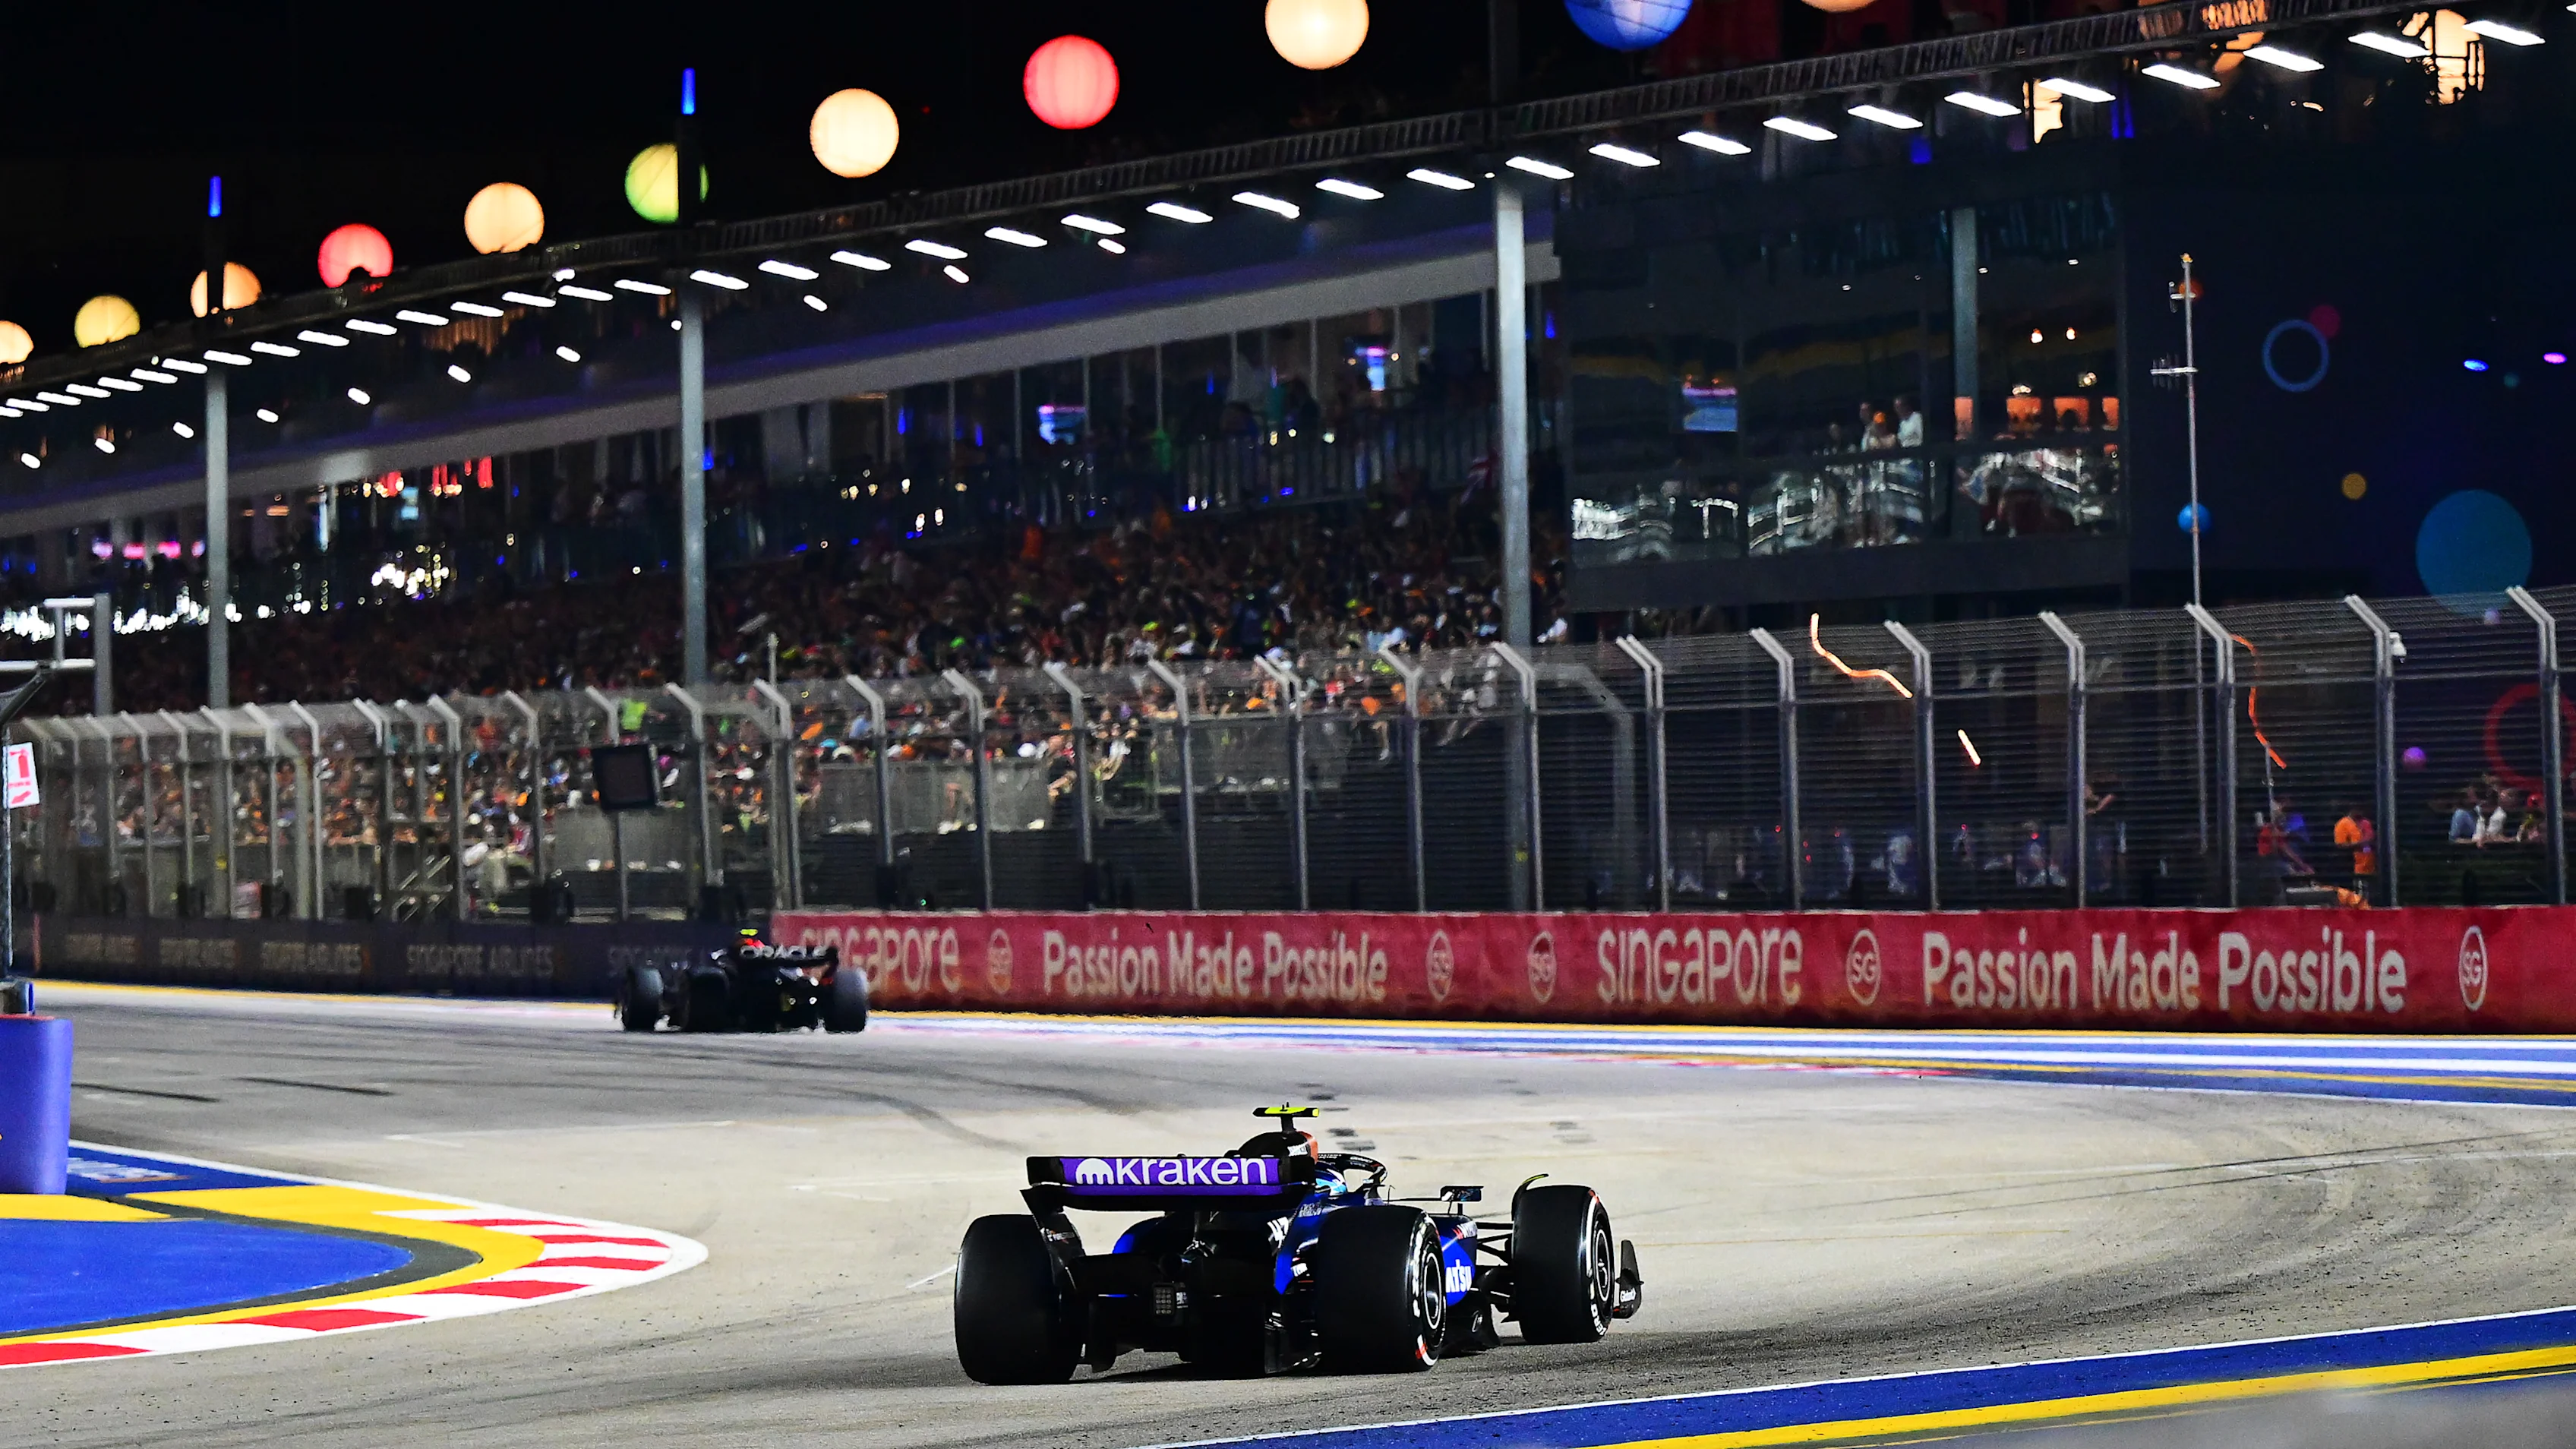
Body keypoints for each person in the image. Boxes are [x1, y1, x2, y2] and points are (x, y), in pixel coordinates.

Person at [2333, 803, 2376, 886]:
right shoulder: (2343, 824)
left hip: (2370, 865)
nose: (2361, 812)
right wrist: (2359, 844)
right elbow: (2340, 845)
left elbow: (2372, 838)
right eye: (2359, 809)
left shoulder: (2366, 823)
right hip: (2354, 866)